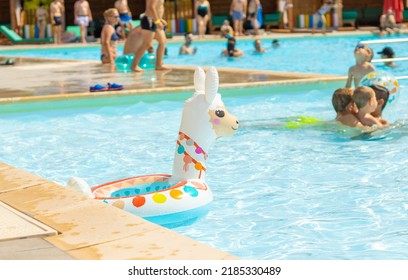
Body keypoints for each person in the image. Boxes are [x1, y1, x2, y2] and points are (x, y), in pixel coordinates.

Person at [128, 0, 169, 72]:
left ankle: (159, 65)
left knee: (162, 42)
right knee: (146, 44)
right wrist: (157, 21)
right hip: (150, 21)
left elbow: (157, 7)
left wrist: (160, 19)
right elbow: (151, 7)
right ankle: (134, 65)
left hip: (154, 20)